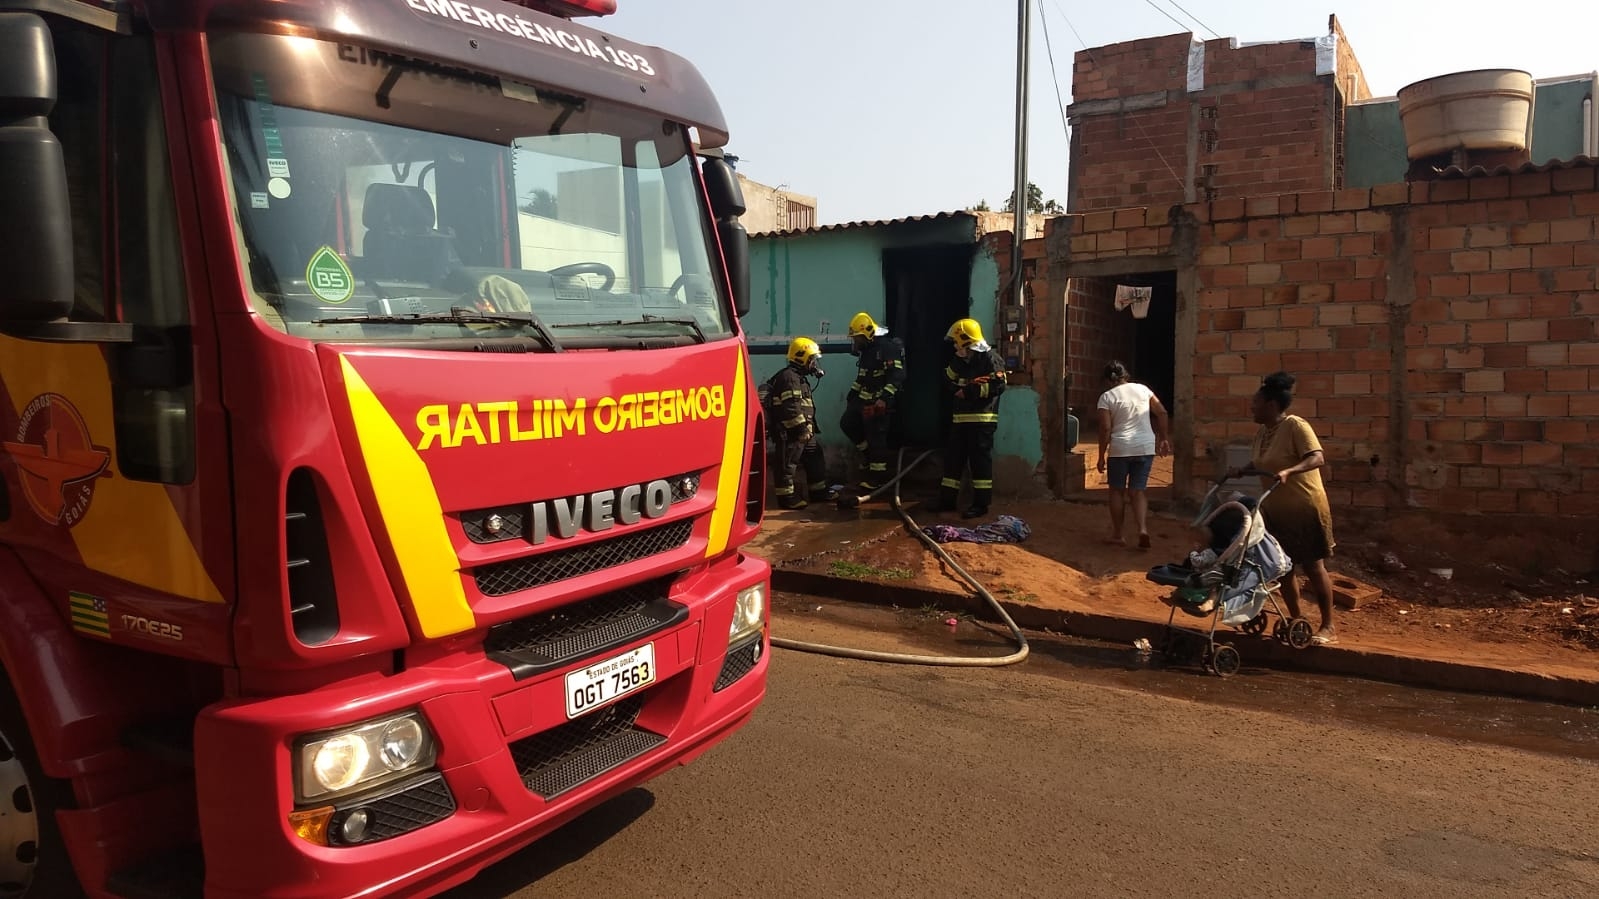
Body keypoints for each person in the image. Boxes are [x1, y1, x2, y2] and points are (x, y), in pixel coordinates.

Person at [1225, 371, 1339, 645]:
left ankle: (1328, 626)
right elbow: (1263, 462)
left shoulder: (1295, 426)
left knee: (1312, 565)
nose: (1251, 407)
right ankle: (1297, 620)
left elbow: (1317, 457)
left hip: (1305, 507)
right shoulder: (1263, 432)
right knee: (1283, 567)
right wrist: (1241, 471)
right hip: (1275, 510)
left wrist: (1291, 470)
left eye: (1255, 402)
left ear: (1271, 405)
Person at [1095, 360, 1172, 549]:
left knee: (1117, 491)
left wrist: (1101, 455)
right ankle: (1143, 529)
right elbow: (1161, 412)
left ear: (1107, 380)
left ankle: (1118, 535)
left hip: (1121, 448)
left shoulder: (1106, 397)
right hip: (1145, 447)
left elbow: (1105, 428)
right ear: (1125, 376)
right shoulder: (1143, 390)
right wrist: (1164, 438)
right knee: (1138, 491)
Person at [936, 318, 1007, 519]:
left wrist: (968, 392)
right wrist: (956, 383)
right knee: (953, 461)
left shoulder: (991, 359)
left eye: (957, 342)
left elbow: (998, 386)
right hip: (960, 420)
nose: (955, 346)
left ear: (966, 341)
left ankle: (981, 505)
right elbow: (947, 379)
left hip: (982, 421)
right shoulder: (959, 361)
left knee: (979, 462)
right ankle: (947, 501)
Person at [838, 312, 904, 499]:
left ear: (867, 334)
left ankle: (878, 478)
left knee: (877, 438)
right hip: (864, 399)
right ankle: (867, 456)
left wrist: (883, 399)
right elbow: (862, 377)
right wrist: (852, 395)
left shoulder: (887, 348)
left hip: (881, 401)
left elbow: (897, 377)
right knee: (847, 423)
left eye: (857, 337)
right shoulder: (867, 351)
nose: (855, 341)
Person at [766, 337, 837, 510]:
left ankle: (818, 492)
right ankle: (787, 498)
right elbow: (791, 407)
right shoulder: (789, 378)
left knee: (815, 456)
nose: (814, 364)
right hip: (791, 432)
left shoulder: (798, 378)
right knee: (787, 464)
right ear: (802, 358)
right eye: (812, 360)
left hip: (804, 432)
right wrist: (801, 428)